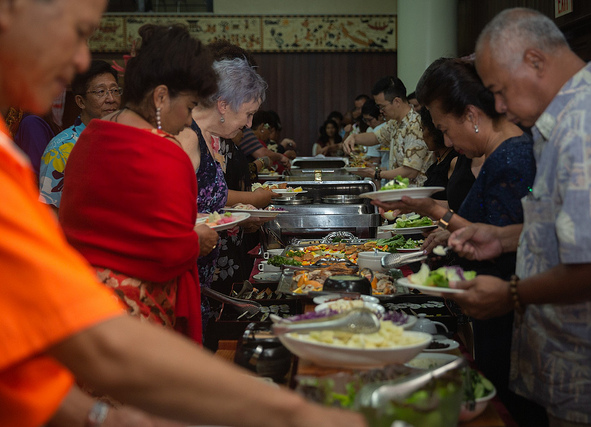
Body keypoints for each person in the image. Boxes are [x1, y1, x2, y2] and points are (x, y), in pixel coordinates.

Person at [0, 1, 365, 426]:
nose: (83, 59)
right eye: (79, 31)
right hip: (126, 310)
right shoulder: (163, 151)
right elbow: (101, 338)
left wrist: (98, 416)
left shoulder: (88, 137)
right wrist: (294, 414)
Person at [446, 8, 591, 427]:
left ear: (535, 61)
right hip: (572, 364)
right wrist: (503, 237)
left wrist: (512, 294)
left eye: (499, 90)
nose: (499, 106)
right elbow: (577, 226)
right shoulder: (564, 122)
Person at [373, 58, 544, 426]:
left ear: (471, 115)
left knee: (507, 408)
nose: (447, 142)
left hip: (507, 306)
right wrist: (435, 212)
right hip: (495, 301)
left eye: (445, 129)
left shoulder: (511, 157)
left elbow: (510, 245)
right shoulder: (500, 152)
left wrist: (437, 213)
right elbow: (495, 234)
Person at [60, 24, 220, 343]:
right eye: (189, 107)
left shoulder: (92, 135)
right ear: (160, 96)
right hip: (136, 310)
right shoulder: (165, 151)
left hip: (81, 300)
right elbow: (169, 248)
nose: (188, 121)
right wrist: (198, 239)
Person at [177, 57, 274, 327]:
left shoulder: (212, 137)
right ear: (223, 105)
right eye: (248, 114)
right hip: (183, 271)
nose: (249, 124)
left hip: (203, 270)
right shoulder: (186, 137)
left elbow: (203, 202)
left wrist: (238, 214)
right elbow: (167, 210)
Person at [39, 59, 120, 212]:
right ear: (81, 101)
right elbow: (50, 211)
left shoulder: (126, 139)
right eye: (101, 92)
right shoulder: (61, 149)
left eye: (115, 90)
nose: (111, 99)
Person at [344, 76, 431, 186]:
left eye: (382, 106)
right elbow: (375, 137)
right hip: (399, 190)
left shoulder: (415, 125)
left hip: (415, 192)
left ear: (397, 101)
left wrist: (377, 174)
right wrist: (354, 138)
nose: (381, 111)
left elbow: (410, 171)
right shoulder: (395, 122)